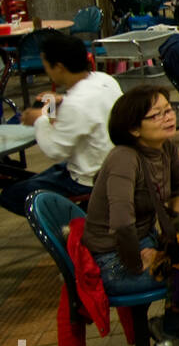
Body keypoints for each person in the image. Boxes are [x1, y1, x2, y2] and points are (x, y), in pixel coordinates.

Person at [81, 86, 179, 346]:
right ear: (133, 128)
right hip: (114, 259)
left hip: (145, 239)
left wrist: (174, 227)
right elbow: (120, 224)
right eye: (155, 115)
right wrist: (137, 261)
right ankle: (176, 335)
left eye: (168, 110)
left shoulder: (166, 147)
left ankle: (177, 337)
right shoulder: (124, 159)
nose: (167, 117)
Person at [0, 32, 121, 215]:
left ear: (59, 67)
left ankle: (69, 221)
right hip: (112, 164)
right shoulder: (104, 79)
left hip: (88, 178)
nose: (45, 70)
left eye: (46, 65)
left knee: (11, 195)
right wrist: (54, 106)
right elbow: (80, 112)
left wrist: (38, 119)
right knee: (35, 178)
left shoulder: (75, 104)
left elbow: (55, 150)